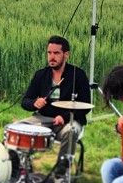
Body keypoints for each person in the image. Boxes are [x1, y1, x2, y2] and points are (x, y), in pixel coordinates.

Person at [21, 35, 91, 174]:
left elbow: (85, 105)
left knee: (71, 132)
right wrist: (35, 103)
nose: (52, 57)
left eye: (56, 53)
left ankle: (61, 176)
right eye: (49, 53)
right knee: (15, 130)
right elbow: (25, 101)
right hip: (42, 119)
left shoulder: (78, 75)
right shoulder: (41, 75)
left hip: (68, 120)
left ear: (66, 54)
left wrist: (64, 118)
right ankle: (21, 171)